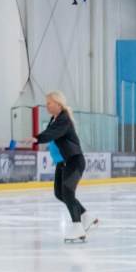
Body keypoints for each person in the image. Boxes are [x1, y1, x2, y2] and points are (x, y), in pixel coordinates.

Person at [31, 92, 97, 242]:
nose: (46, 105)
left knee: (67, 192)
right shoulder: (53, 120)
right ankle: (86, 215)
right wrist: (39, 137)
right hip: (62, 163)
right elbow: (50, 131)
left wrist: (37, 138)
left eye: (49, 103)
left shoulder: (63, 119)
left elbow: (52, 134)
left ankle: (77, 227)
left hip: (73, 161)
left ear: (58, 104)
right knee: (59, 193)